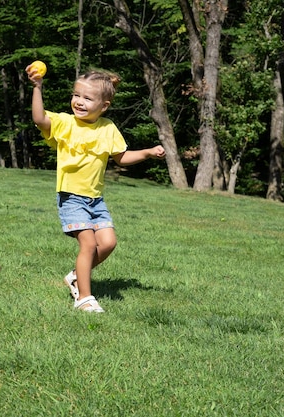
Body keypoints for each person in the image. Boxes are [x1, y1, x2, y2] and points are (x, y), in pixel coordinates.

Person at [26, 65, 166, 313]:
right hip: (71, 197)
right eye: (76, 95)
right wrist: (38, 88)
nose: (78, 102)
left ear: (104, 105)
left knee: (108, 243)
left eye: (87, 98)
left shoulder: (107, 128)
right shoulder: (65, 123)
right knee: (88, 245)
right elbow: (39, 118)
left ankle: (76, 276)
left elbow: (121, 158)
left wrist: (147, 152)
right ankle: (84, 298)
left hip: (95, 200)